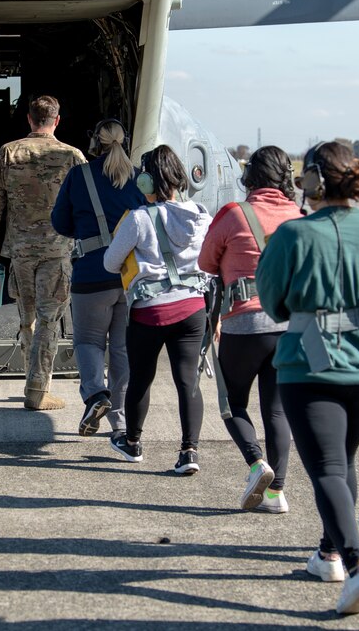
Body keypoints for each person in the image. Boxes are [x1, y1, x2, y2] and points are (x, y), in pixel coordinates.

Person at [255, 141, 359, 615]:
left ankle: (358, 567)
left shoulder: (293, 236)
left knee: (329, 468)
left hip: (311, 367)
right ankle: (328, 553)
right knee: (341, 461)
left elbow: (274, 303)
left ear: (315, 180)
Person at [198, 145, 302, 512]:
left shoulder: (233, 213)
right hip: (289, 325)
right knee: (277, 411)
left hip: (244, 324)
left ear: (250, 176)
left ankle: (257, 464)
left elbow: (206, 262)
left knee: (233, 405)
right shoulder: (297, 215)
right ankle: (278, 494)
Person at [102, 145, 211, 475]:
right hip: (193, 308)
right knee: (187, 381)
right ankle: (189, 452)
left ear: (146, 182)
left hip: (150, 312)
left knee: (141, 379)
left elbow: (110, 264)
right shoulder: (201, 215)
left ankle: (132, 443)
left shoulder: (138, 219)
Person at [0, 95, 87, 410]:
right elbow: (85, 204)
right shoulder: (71, 156)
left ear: (29, 119)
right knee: (49, 319)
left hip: (20, 250)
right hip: (57, 250)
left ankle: (32, 379)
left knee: (27, 318)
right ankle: (38, 388)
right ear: (57, 121)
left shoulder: (8, 153)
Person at [51, 119, 147, 437]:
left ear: (94, 143)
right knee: (121, 348)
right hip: (130, 276)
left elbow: (60, 222)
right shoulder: (139, 179)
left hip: (92, 273)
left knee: (88, 341)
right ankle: (118, 418)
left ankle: (96, 395)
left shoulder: (80, 176)